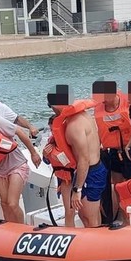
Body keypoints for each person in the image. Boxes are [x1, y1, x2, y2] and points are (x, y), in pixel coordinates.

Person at [44, 85, 106, 228]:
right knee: (87, 217)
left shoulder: (74, 126)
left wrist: (77, 190)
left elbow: (84, 160)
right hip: (89, 171)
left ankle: (95, 249)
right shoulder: (82, 115)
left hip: (90, 174)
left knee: (89, 219)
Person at [92, 80, 131, 224]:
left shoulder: (128, 103)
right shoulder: (98, 108)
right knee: (117, 186)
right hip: (112, 151)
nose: (102, 101)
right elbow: (99, 132)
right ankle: (123, 216)